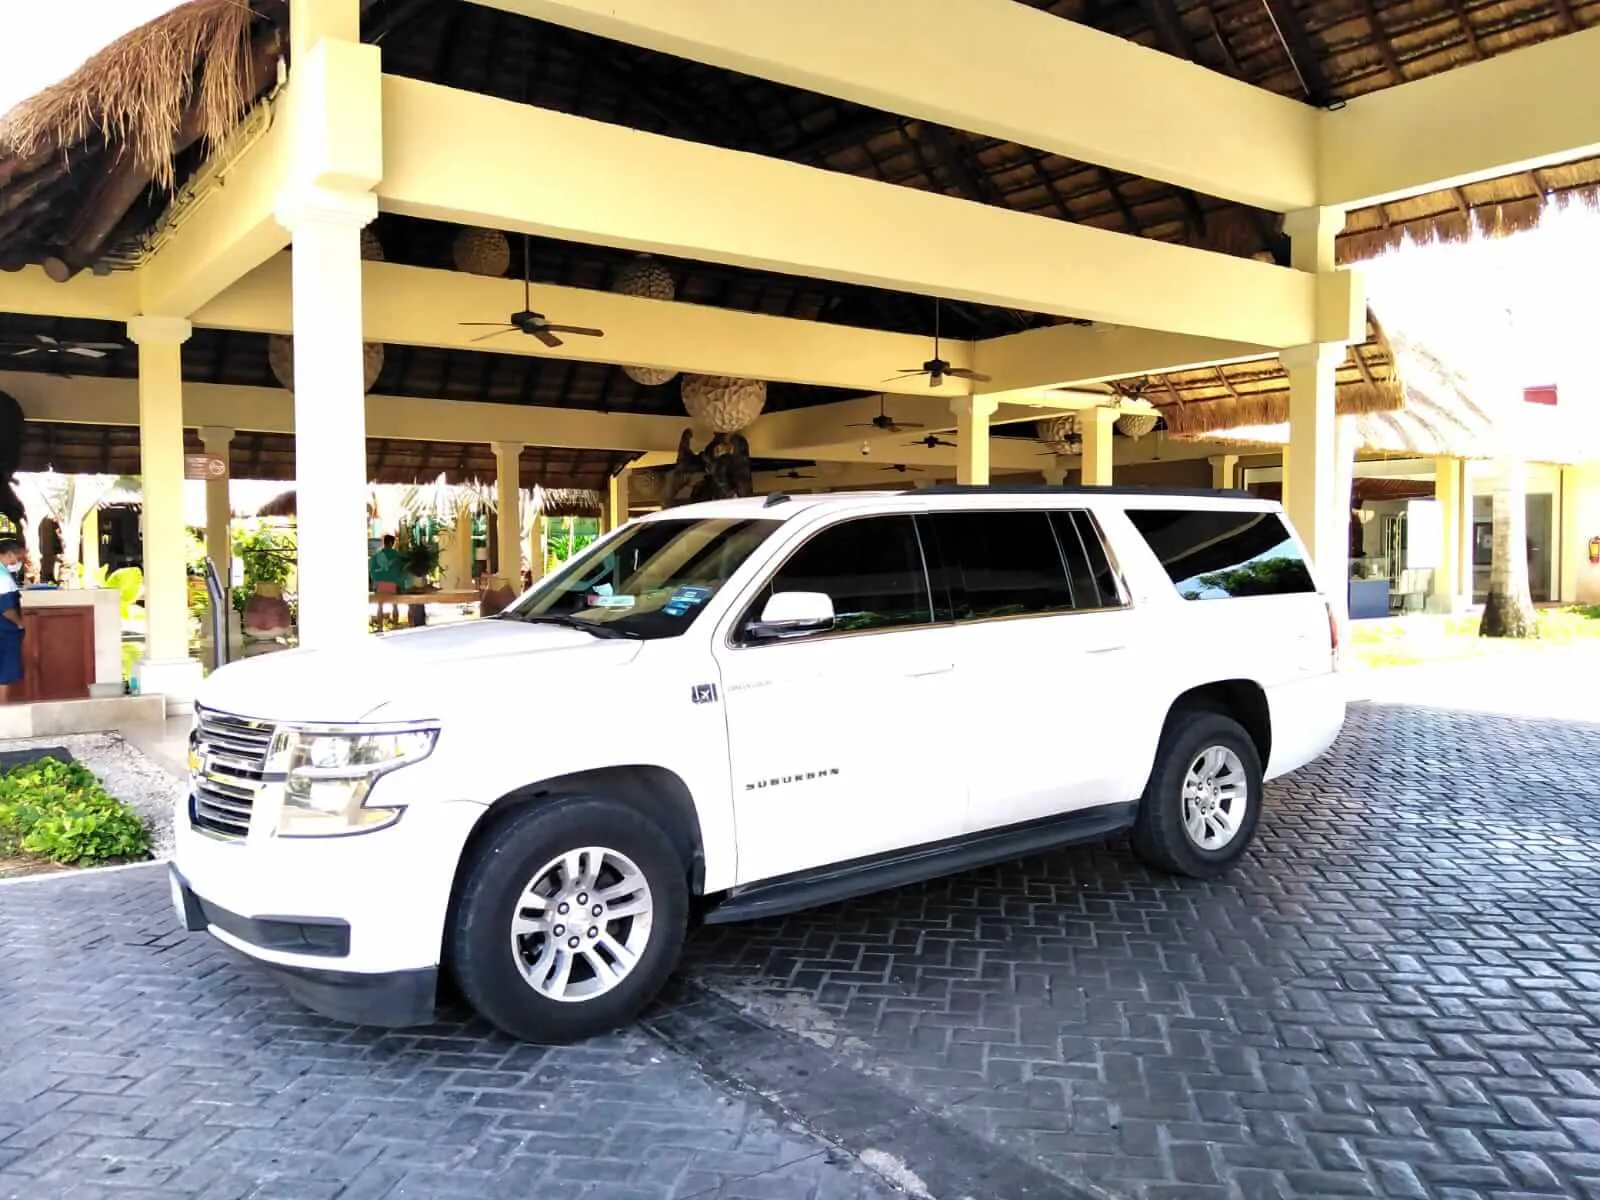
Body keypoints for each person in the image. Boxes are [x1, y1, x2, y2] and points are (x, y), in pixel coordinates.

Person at [0, 539, 24, 694]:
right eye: (18, 557)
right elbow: (6, 609)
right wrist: (20, 623)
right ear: (9, 554)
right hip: (4, 631)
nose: (18, 562)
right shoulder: (2, 577)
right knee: (4, 675)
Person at [369, 534, 407, 630]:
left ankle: (380, 627)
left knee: (380, 607)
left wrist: (376, 582)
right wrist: (401, 584)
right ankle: (394, 625)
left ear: (384, 543)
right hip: (393, 585)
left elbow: (372, 571)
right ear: (391, 543)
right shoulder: (398, 555)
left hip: (380, 585)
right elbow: (402, 571)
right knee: (395, 606)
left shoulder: (377, 555)